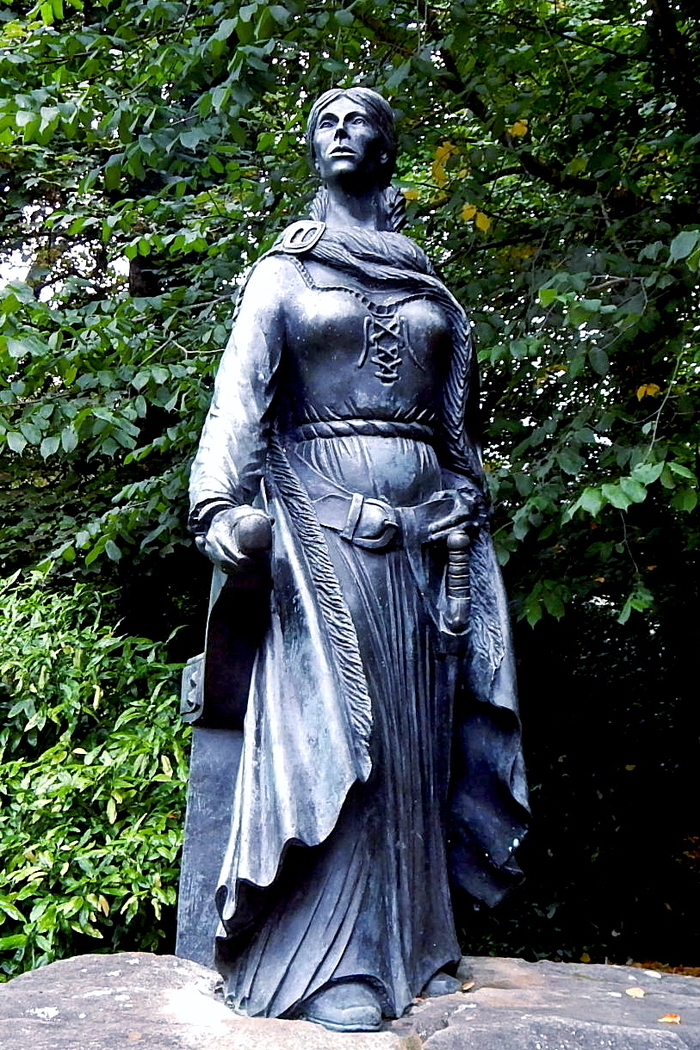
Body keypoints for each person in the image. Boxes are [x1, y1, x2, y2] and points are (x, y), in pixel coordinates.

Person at [188, 86, 529, 1033]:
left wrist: (464, 499)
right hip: (320, 530)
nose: (342, 130)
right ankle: (325, 961)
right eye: (325, 121)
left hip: (427, 540)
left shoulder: (427, 286)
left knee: (418, 736)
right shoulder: (283, 274)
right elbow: (237, 401)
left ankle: (415, 944)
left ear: (388, 147)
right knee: (340, 731)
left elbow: (456, 431)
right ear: (313, 150)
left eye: (359, 119)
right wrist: (219, 507)